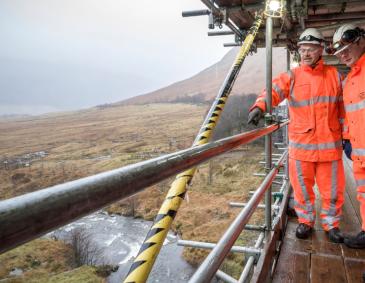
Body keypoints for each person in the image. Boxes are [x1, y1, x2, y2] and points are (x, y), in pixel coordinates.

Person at [248, 28, 346, 243]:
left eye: (311, 49)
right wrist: (260, 106)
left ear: (321, 49)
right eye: (303, 49)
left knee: (332, 190)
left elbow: (342, 109)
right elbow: (272, 90)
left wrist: (346, 135)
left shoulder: (334, 76)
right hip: (302, 147)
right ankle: (306, 221)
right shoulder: (292, 76)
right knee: (302, 188)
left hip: (330, 146)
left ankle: (332, 225)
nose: (306, 53)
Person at [332, 23, 365, 248]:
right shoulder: (351, 80)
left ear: (361, 42)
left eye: (347, 49)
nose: (343, 56)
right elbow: (350, 114)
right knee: (363, 194)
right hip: (359, 152)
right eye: (339, 53)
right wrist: (347, 141)